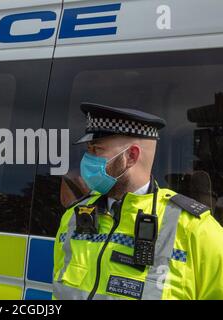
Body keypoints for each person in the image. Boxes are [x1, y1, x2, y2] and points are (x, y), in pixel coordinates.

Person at [53, 102, 223, 300]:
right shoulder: (73, 217)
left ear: (131, 156)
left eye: (97, 150)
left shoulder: (196, 229)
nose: (87, 159)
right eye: (88, 149)